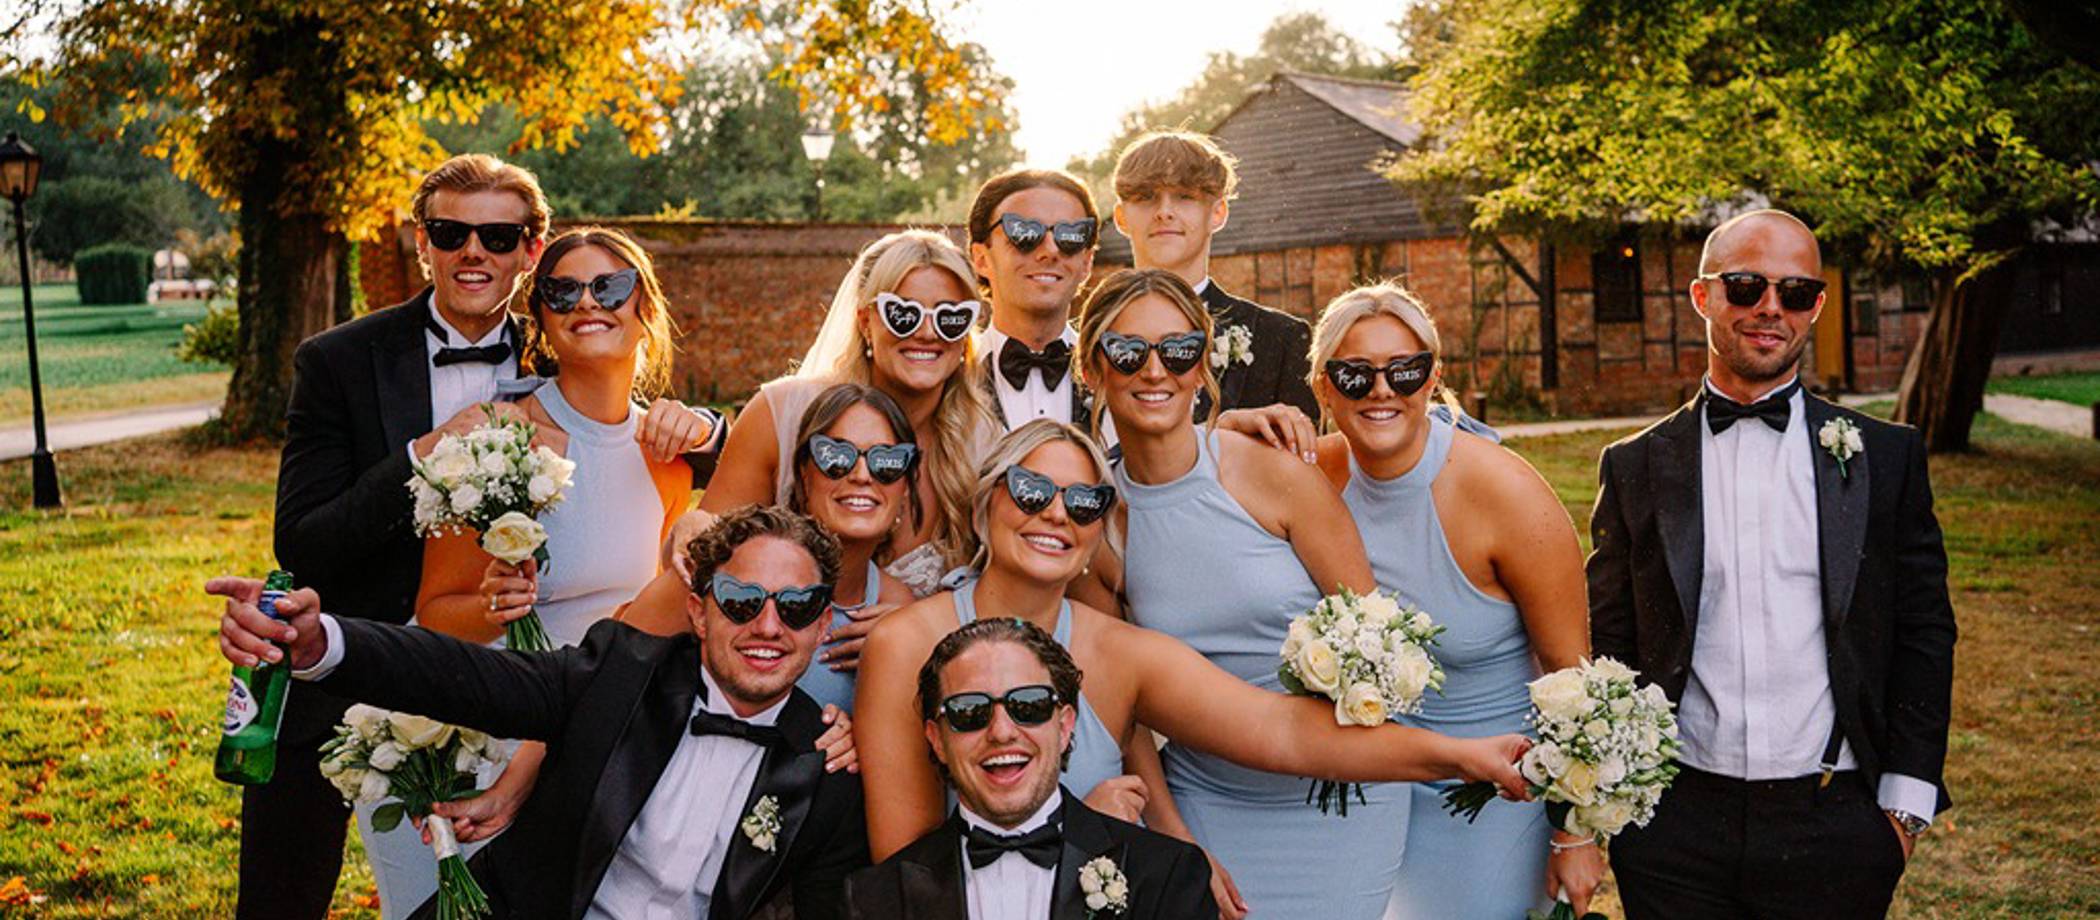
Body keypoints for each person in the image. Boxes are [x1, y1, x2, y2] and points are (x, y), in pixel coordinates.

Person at [264, 154, 720, 920]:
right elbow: (312, 545)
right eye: (451, 233)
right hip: (426, 691)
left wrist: (710, 428)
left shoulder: (658, 440)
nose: (473, 250)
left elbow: (752, 477)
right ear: (422, 241)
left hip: (599, 725)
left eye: (498, 237)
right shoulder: (353, 367)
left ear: (528, 250)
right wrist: (430, 455)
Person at [856, 420, 1535, 918]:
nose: (1056, 513)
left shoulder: (1120, 653)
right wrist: (1073, 830)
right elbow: (905, 874)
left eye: (1085, 502)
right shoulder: (906, 644)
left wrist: (1459, 755)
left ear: (1097, 535)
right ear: (987, 504)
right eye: (1032, 490)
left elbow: (1281, 731)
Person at [209, 506, 871, 920]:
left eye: (797, 607)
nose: (767, 626)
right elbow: (465, 679)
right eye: (741, 600)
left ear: (821, 627)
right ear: (698, 611)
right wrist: (322, 643)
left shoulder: (827, 770)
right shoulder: (620, 674)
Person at [1587, 209, 1956, 919]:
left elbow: (1923, 630)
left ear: (1816, 305)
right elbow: (1610, 637)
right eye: (1746, 286)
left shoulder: (1885, 458)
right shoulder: (1635, 464)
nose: (1770, 308)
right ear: (1703, 296)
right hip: (1674, 827)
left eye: (1795, 292)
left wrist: (1903, 810)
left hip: (1836, 822)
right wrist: (1619, 806)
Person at [1071, 267, 1408, 919]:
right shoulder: (1098, 524)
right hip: (1208, 797)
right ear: (1093, 369)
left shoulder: (1270, 472)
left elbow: (1376, 634)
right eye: (1127, 351)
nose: (1155, 370)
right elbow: (1123, 711)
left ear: (1202, 363)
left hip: (1343, 795)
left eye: (1178, 350)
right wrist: (1176, 838)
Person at [1305, 283, 1601, 918]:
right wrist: (1233, 427)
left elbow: (1572, 673)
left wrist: (1574, 832)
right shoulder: (1309, 479)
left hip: (1492, 798)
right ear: (1324, 386)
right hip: (1364, 796)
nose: (1381, 390)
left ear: (1433, 377)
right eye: (1355, 374)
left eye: (1404, 371)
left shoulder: (1504, 492)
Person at [675, 229, 995, 598]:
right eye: (902, 314)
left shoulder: (983, 445)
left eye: (950, 318)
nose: (926, 332)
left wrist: (914, 624)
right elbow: (703, 563)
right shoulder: (781, 416)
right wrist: (693, 524)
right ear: (865, 322)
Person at [845, 619, 1217, 920]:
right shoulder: (874, 898)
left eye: (1029, 706)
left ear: (1065, 725)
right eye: (969, 712)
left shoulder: (1165, 874)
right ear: (937, 740)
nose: (1002, 732)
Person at [1111, 130, 1317, 427]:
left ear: (1218, 213)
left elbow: (1302, 453)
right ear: (1120, 217)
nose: (1164, 212)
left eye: (1185, 196)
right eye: (1146, 197)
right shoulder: (1089, 336)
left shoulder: (1280, 339)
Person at [967, 168, 1100, 430]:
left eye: (1069, 236)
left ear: (1087, 263)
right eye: (1024, 233)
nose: (1050, 251)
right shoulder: (948, 380)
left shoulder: (1116, 377)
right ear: (981, 259)